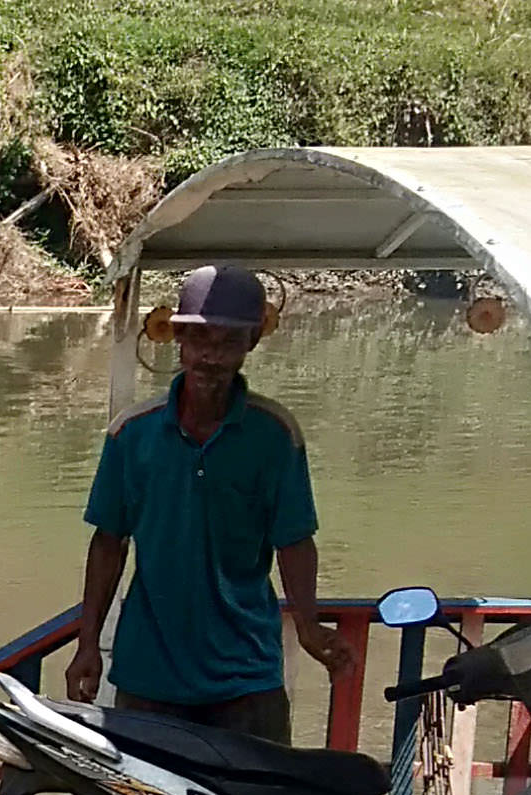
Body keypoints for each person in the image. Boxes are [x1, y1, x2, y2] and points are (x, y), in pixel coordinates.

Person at [61, 263, 347, 736]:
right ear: (178, 338)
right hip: (149, 671)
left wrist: (310, 626)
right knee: (141, 784)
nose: (211, 356)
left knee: (258, 782)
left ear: (251, 343)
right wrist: (88, 643)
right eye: (199, 339)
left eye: (229, 341)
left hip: (246, 673)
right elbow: (109, 541)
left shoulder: (275, 435)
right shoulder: (132, 433)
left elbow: (294, 540)